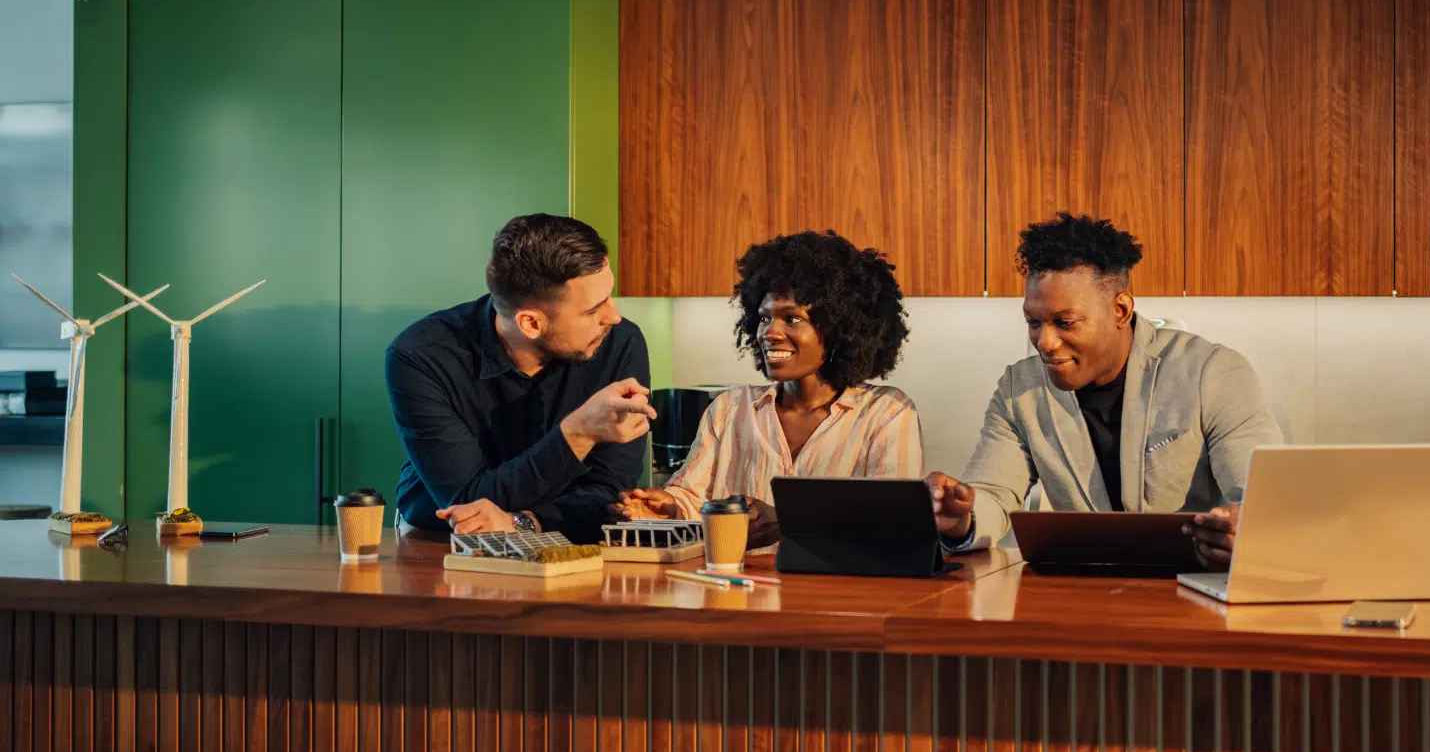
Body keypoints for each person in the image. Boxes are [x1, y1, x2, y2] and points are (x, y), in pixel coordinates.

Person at [924, 213, 1284, 569]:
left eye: (1064, 323)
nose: (1044, 342)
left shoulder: (1213, 372)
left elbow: (1266, 496)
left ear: (1121, 310)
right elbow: (992, 494)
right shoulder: (1019, 390)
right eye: (1033, 322)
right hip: (1085, 598)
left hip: (1195, 594)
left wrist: (1244, 529)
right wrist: (962, 521)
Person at [618, 230, 923, 548]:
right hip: (742, 593)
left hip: (841, 594)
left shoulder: (886, 413)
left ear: (841, 329)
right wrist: (662, 509)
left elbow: (891, 520)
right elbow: (693, 496)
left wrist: (788, 521)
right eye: (765, 318)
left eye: (792, 319)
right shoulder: (730, 408)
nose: (771, 332)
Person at [386, 214, 656, 542]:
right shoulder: (422, 355)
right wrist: (577, 434)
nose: (612, 316)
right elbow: (466, 504)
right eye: (591, 310)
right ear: (530, 323)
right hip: (438, 542)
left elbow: (611, 492)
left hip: (568, 539)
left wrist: (522, 522)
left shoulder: (620, 343)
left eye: (609, 297)